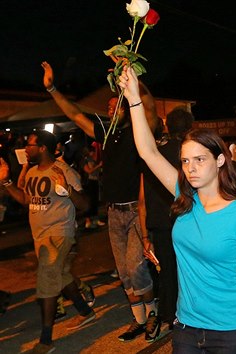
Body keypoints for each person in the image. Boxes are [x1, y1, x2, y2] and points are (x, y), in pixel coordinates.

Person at [118, 66, 236, 354]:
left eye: (200, 159)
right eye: (185, 161)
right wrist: (134, 99)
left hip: (231, 329)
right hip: (187, 328)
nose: (191, 168)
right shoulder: (185, 198)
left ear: (219, 161)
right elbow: (148, 152)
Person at [41, 61, 161, 342]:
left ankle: (153, 313)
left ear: (126, 107)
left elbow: (150, 107)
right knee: (123, 272)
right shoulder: (106, 136)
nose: (109, 110)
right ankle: (138, 320)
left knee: (136, 267)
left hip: (135, 210)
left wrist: (131, 75)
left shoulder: (139, 131)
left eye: (115, 105)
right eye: (107, 108)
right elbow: (74, 112)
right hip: (114, 213)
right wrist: (52, 89)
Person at [0, 130, 96, 354]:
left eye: (30, 145)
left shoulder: (64, 171)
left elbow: (85, 205)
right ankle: (85, 312)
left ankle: (46, 340)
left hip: (59, 233)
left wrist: (68, 188)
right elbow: (25, 199)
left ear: (42, 147)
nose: (26, 149)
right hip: (40, 236)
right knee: (61, 276)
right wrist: (5, 182)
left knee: (46, 279)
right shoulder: (33, 171)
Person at [140, 106, 193, 332]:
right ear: (190, 127)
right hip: (185, 219)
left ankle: (167, 315)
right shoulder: (190, 152)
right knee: (189, 268)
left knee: (167, 270)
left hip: (160, 221)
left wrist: (144, 233)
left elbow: (142, 196)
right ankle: (188, 312)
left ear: (168, 126)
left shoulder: (156, 152)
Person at [82, 145, 104, 229]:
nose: (94, 153)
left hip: (95, 181)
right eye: (92, 151)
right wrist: (98, 166)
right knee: (89, 202)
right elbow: (89, 171)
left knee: (95, 201)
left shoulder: (92, 160)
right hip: (89, 182)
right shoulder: (84, 161)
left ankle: (95, 219)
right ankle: (87, 220)